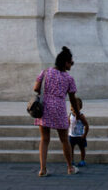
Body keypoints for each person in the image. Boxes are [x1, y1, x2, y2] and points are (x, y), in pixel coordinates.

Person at [32, 46, 79, 176]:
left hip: (45, 106)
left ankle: (43, 169)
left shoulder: (45, 72)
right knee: (64, 139)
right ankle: (70, 167)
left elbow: (36, 88)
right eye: (71, 62)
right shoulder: (69, 78)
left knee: (44, 139)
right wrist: (77, 113)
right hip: (59, 107)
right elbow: (73, 98)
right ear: (66, 62)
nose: (72, 64)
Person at [68, 96, 90, 167]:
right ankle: (72, 160)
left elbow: (86, 125)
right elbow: (68, 124)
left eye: (76, 106)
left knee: (82, 148)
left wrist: (84, 134)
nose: (74, 108)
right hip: (72, 135)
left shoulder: (81, 116)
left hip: (80, 135)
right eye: (72, 106)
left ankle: (82, 160)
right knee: (71, 148)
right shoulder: (70, 115)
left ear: (80, 107)